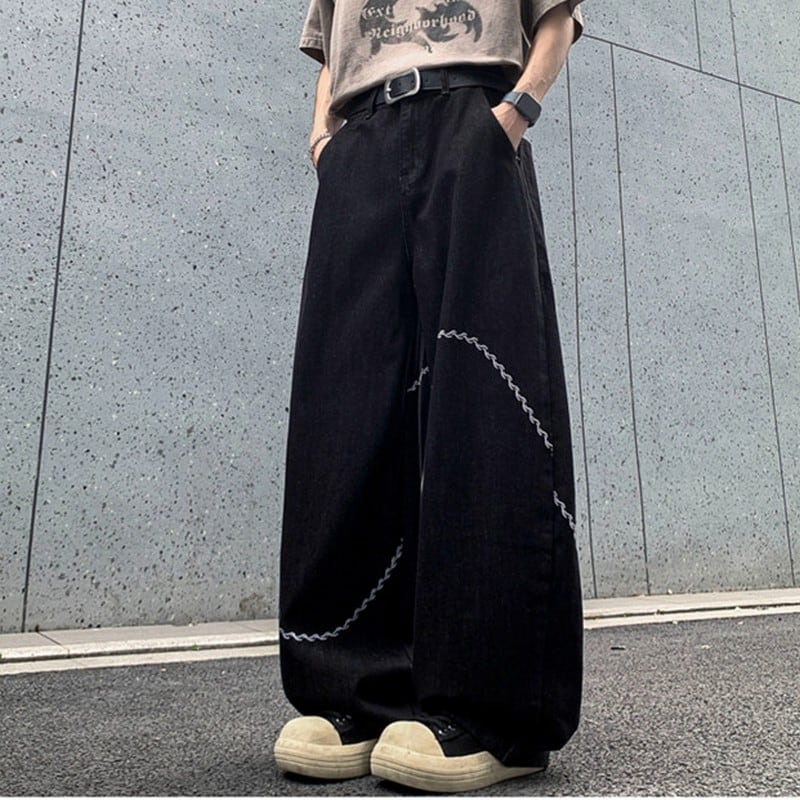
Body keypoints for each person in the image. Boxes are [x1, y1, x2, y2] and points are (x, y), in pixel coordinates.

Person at [274, 0, 586, 792]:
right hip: (360, 139)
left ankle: (497, 714)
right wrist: (323, 139)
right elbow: (331, 47)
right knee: (343, 401)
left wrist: (515, 112)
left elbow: (557, 16)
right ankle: (353, 691)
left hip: (471, 118)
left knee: (485, 396)